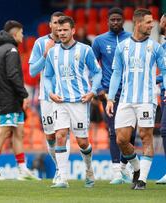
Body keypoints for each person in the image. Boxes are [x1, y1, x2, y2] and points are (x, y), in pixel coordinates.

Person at [106, 8, 166, 190]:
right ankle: (137, 168)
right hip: (125, 99)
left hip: (147, 99)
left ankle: (142, 180)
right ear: (138, 23)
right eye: (148, 22)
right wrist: (110, 98)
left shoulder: (155, 47)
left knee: (145, 137)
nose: (152, 25)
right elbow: (116, 74)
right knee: (121, 140)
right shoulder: (122, 46)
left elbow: (164, 70)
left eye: (152, 21)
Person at [44, 16, 102, 188]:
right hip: (60, 101)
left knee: (82, 142)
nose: (61, 33)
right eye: (59, 30)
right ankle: (62, 178)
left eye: (65, 30)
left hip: (79, 101)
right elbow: (47, 76)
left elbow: (97, 73)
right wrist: (50, 93)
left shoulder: (85, 50)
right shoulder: (52, 52)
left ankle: (89, 169)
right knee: (60, 136)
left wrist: (92, 92)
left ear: (73, 31)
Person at [0, 20, 39, 181]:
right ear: (15, 34)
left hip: (8, 99)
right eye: (21, 33)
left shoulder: (0, 50)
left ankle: (22, 169)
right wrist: (24, 95)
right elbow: (13, 75)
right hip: (11, 99)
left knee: (18, 133)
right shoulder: (12, 51)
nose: (23, 36)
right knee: (5, 131)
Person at [92, 7, 134, 184]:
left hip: (131, 92)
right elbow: (92, 67)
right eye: (112, 20)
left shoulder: (132, 39)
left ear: (123, 20)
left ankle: (125, 167)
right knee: (113, 131)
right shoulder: (99, 41)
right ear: (107, 21)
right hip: (110, 93)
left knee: (130, 133)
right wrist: (98, 89)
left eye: (118, 19)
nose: (115, 22)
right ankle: (117, 170)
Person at [29, 11, 68, 184]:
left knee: (63, 134)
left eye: (61, 22)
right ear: (50, 25)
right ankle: (59, 168)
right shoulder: (40, 43)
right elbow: (32, 71)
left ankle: (62, 173)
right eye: (55, 22)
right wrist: (46, 54)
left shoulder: (71, 44)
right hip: (47, 98)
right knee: (51, 137)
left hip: (67, 97)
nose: (58, 25)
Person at [157, 13, 166, 184]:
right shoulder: (163, 47)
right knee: (164, 130)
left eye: (162, 20)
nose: (160, 23)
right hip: (164, 93)